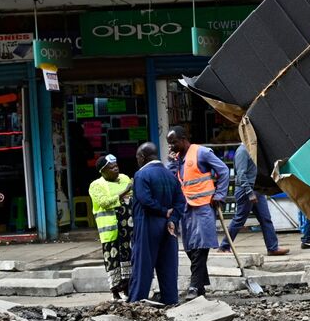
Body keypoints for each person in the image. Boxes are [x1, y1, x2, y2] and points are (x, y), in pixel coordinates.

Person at [166, 125, 230, 301]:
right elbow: (173, 180)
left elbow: (223, 171)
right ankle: (200, 286)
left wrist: (220, 195)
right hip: (186, 208)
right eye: (169, 144)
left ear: (184, 139)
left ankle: (194, 286)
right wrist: (172, 163)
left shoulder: (202, 153)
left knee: (200, 248)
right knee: (190, 247)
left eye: (173, 143)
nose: (171, 147)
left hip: (203, 207)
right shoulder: (177, 159)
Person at [128, 142, 185, 306]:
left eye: (137, 157)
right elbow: (180, 202)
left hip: (147, 224)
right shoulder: (170, 175)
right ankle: (171, 302)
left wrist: (162, 211)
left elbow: (145, 200)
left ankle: (136, 303)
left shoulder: (141, 175)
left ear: (142, 157)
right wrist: (172, 219)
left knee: (142, 266)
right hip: (169, 227)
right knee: (168, 267)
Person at [219, 143, 289, 257]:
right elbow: (241, 174)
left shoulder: (252, 150)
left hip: (256, 189)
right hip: (245, 191)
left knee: (265, 219)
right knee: (239, 219)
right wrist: (249, 192)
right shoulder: (242, 151)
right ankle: (224, 246)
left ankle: (273, 247)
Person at [88, 154, 134, 300]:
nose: (115, 169)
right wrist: (124, 192)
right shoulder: (96, 185)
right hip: (111, 231)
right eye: (111, 168)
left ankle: (128, 288)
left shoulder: (125, 178)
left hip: (127, 228)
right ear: (102, 171)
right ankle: (115, 292)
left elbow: (132, 197)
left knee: (128, 258)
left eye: (116, 166)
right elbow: (104, 202)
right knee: (112, 261)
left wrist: (126, 193)